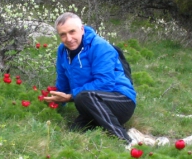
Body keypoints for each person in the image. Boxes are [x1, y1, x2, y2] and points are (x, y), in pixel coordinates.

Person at [44, 12, 136, 144]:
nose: (68, 38)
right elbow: (63, 79)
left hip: (121, 100)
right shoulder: (62, 50)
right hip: (92, 102)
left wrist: (70, 97)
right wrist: (56, 102)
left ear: (82, 29)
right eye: (63, 34)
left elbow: (105, 83)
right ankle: (116, 131)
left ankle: (124, 140)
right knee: (73, 131)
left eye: (72, 32)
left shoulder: (100, 46)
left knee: (83, 96)